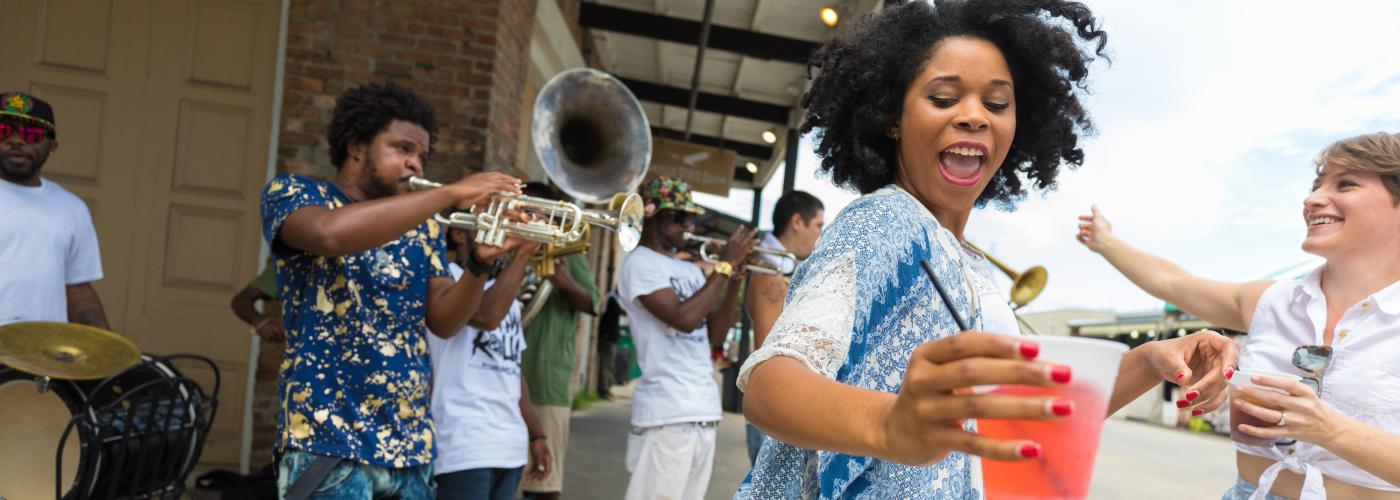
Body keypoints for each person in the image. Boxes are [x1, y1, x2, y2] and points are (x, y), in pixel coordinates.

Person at [736, 1, 1240, 498]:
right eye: (943, 98)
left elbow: (1033, 417)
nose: (974, 116)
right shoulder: (883, 222)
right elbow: (770, 385)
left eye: (997, 104)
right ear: (892, 117)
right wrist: (889, 425)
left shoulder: (970, 266)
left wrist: (1152, 360)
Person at [1078, 132, 1400, 499]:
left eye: (1346, 184)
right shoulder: (1271, 301)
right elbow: (1173, 281)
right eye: (1316, 185)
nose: (1312, 199)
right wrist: (1106, 243)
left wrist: (1331, 430)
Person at [260, 82, 524, 499]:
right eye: (402, 149)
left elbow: (444, 321)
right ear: (357, 147)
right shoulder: (296, 194)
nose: (415, 164)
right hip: (326, 441)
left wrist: (479, 262)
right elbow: (330, 236)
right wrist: (451, 193)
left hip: (410, 449)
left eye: (421, 155)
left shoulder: (424, 228)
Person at [617, 176, 757, 500]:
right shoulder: (639, 264)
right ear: (652, 215)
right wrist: (723, 265)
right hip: (667, 413)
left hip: (702, 411)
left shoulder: (692, 272)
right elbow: (683, 319)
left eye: (690, 217)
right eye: (679, 217)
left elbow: (714, 336)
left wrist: (734, 278)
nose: (688, 224)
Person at [430, 227, 551, 500]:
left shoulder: (505, 291)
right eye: (490, 219)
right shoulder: (445, 278)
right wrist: (523, 253)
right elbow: (486, 315)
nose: (504, 227)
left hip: (508, 445)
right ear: (459, 234)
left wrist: (536, 435)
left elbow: (511, 370)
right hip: (462, 442)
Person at [0, 91, 109, 329]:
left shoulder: (71, 208)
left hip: (41, 357)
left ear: (52, 146)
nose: (16, 141)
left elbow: (78, 290)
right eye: (4, 131)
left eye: (31, 133)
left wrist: (111, 352)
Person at [517, 183, 599, 500]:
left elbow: (592, 302)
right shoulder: (504, 245)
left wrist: (562, 279)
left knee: (542, 482)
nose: (526, 216)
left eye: (532, 210)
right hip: (500, 377)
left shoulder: (567, 248)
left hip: (544, 376)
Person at [742, 190, 824, 464]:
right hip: (777, 407)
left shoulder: (785, 267)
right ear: (797, 222)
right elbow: (769, 349)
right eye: (818, 225)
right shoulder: (770, 271)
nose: (820, 234)